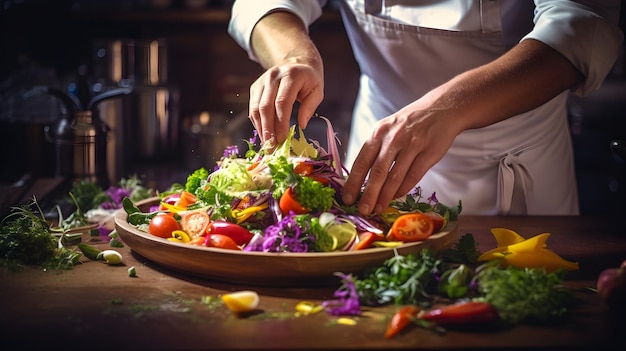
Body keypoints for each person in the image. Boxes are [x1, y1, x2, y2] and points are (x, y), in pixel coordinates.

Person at [228, 0, 623, 216]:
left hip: (516, 175)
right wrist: (295, 54)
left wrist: (448, 107)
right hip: (375, 160)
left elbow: (581, 30)